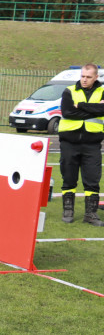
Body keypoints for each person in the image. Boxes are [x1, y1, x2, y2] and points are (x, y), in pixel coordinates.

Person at [58, 63, 104, 226]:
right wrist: (94, 108)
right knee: (69, 177)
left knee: (92, 179)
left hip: (92, 143)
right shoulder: (69, 91)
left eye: (88, 77)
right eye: (82, 76)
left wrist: (82, 106)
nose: (84, 80)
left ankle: (90, 214)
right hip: (69, 142)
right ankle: (68, 210)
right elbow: (68, 112)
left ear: (96, 77)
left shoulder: (102, 90)